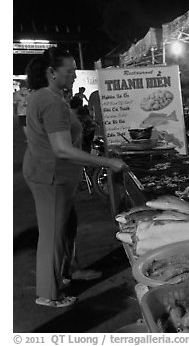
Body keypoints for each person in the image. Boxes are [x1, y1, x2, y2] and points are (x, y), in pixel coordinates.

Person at [23, 47, 129, 308]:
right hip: (50, 175)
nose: (73, 75)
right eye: (68, 71)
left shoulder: (48, 96)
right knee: (53, 233)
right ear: (51, 72)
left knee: (67, 225)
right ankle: (49, 294)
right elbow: (61, 148)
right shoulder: (50, 101)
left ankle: (69, 270)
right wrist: (108, 162)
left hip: (54, 172)